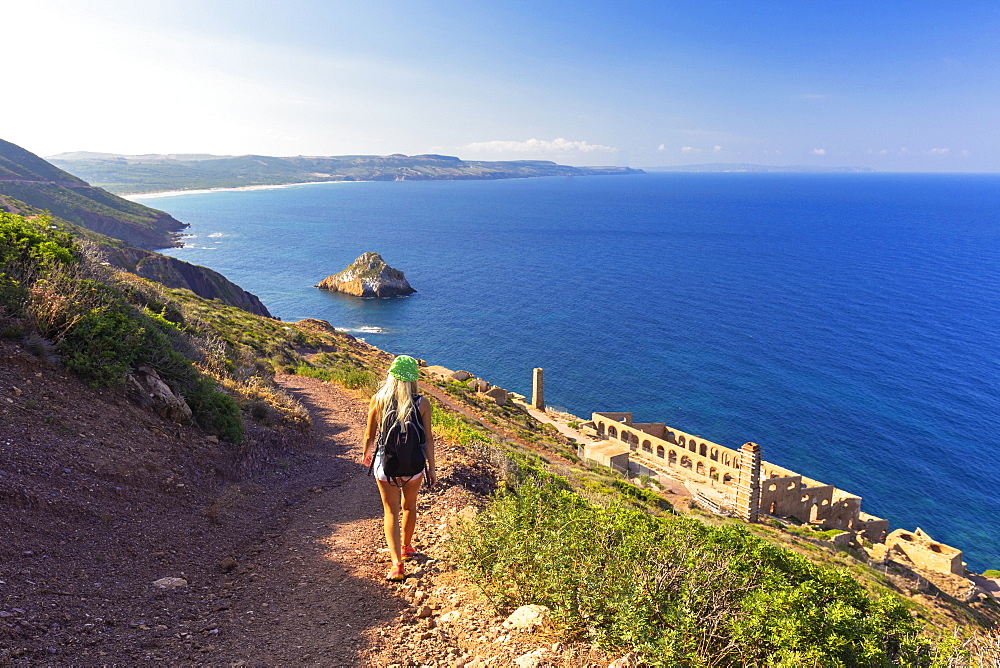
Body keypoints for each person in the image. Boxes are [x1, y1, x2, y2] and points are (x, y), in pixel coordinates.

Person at [362, 355, 437, 581]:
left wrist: (366, 455)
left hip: (386, 466)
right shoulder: (422, 403)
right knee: (409, 506)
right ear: (413, 378)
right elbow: (428, 439)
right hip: (414, 467)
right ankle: (406, 546)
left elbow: (369, 435)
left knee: (390, 511)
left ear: (391, 376)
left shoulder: (379, 399)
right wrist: (432, 468)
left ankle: (397, 564)